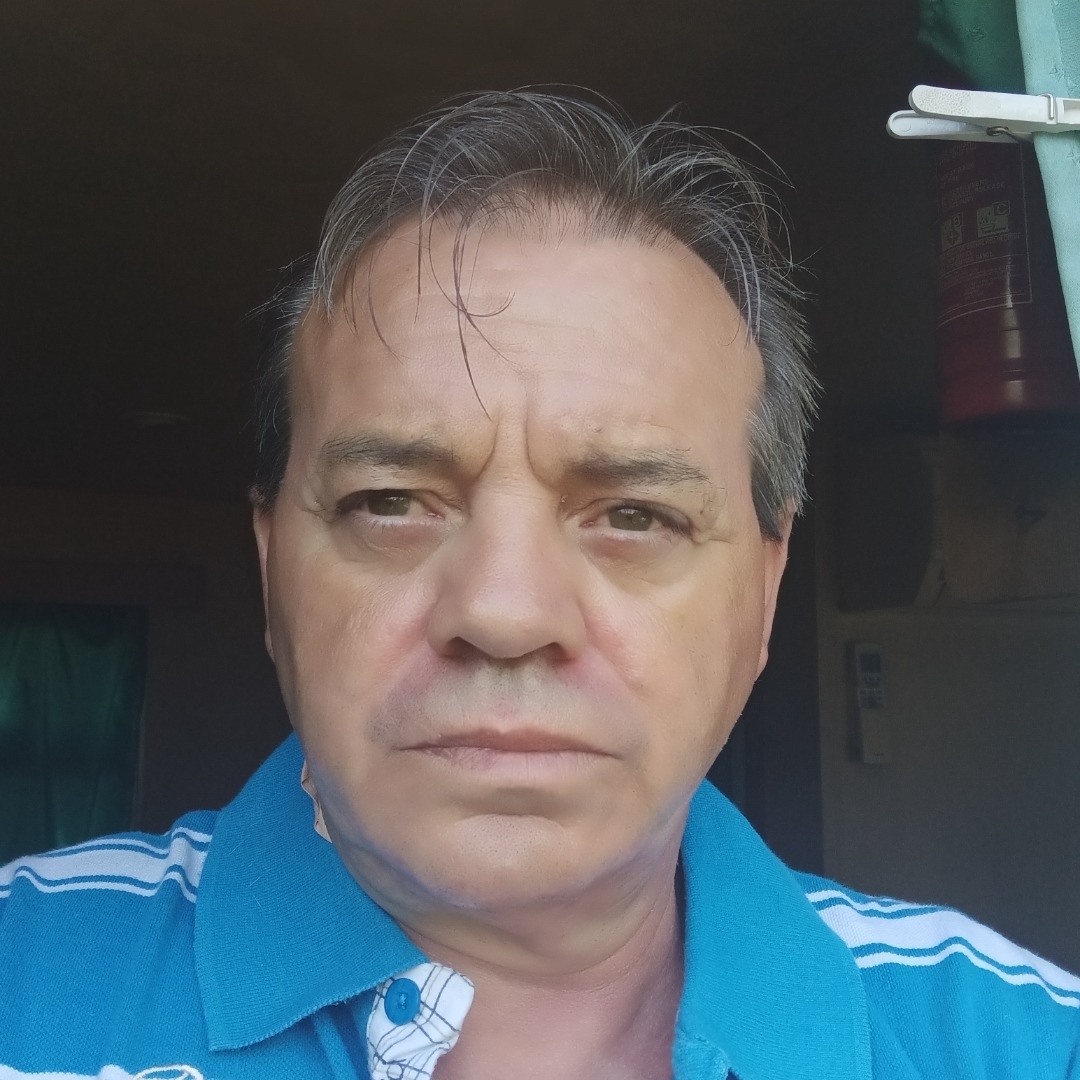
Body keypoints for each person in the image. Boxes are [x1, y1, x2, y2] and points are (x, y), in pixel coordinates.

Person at [1, 90, 1078, 1080]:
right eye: (391, 501)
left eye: (635, 515)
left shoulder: (1020, 1044)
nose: (505, 613)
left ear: (764, 589)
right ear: (272, 563)